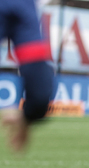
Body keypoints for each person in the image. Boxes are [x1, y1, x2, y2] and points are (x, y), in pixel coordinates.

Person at [0, 0, 54, 152]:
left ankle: (24, 120)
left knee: (40, 96)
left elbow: (41, 96)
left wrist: (27, 118)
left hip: (21, 6)